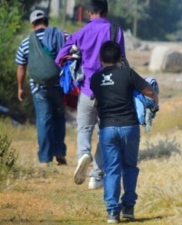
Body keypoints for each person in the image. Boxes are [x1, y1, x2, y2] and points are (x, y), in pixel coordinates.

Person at [56, 0, 126, 189]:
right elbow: (122, 61)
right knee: (106, 133)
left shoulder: (80, 34)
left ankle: (83, 156)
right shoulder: (115, 31)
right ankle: (96, 176)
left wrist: (77, 59)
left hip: (87, 90)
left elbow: (60, 58)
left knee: (84, 129)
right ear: (106, 12)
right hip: (110, 93)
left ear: (87, 13)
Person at [90, 41, 158, 223]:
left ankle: (112, 212)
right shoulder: (128, 73)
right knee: (129, 167)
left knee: (112, 170)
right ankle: (128, 207)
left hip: (107, 128)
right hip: (129, 127)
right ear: (120, 58)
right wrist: (155, 102)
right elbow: (149, 91)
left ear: (100, 59)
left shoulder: (95, 79)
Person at [15, 9, 69, 166]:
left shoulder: (26, 42)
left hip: (39, 88)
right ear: (47, 21)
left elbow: (21, 67)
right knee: (59, 118)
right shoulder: (59, 36)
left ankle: (45, 158)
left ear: (32, 25)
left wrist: (20, 88)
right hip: (58, 85)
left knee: (44, 121)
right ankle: (59, 153)